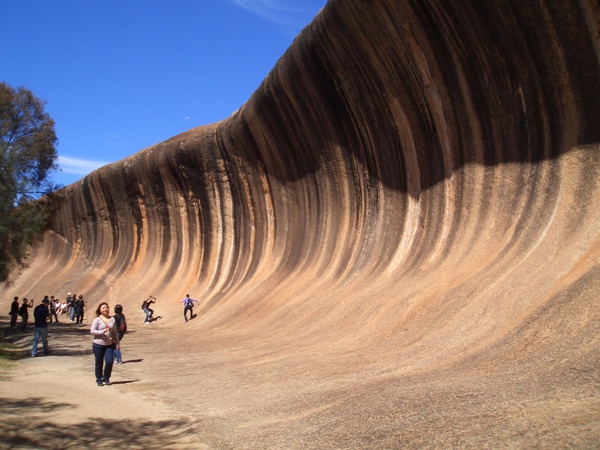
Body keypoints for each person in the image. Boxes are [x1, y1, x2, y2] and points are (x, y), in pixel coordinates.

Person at [90, 302, 120, 386]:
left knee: (109, 361)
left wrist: (117, 343)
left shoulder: (112, 319)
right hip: (98, 345)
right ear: (99, 310)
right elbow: (92, 331)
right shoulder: (97, 319)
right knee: (99, 363)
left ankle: (106, 377)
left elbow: (115, 332)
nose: (105, 309)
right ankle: (99, 379)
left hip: (109, 344)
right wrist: (102, 331)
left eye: (106, 307)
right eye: (103, 308)